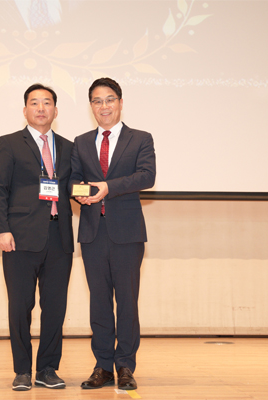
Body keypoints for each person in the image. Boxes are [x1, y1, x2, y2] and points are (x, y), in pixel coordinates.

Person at [69, 77, 156, 390]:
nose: (103, 106)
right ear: (91, 106)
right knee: (99, 303)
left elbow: (147, 176)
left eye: (109, 99)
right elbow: (73, 180)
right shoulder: (80, 142)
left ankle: (125, 366)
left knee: (127, 302)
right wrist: (80, 194)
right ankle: (103, 366)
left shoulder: (140, 138)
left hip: (127, 233)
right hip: (93, 233)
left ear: (120, 102)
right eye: (97, 100)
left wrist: (108, 187)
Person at [0, 83, 74, 391]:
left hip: (59, 236)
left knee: (55, 307)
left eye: (47, 102)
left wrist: (91, 192)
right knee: (20, 306)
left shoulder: (69, 147)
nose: (41, 108)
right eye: (34, 103)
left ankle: (47, 369)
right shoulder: (9, 143)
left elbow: (72, 187)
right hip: (20, 237)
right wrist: (1, 229)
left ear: (55, 110)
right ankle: (22, 370)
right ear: (25, 110)